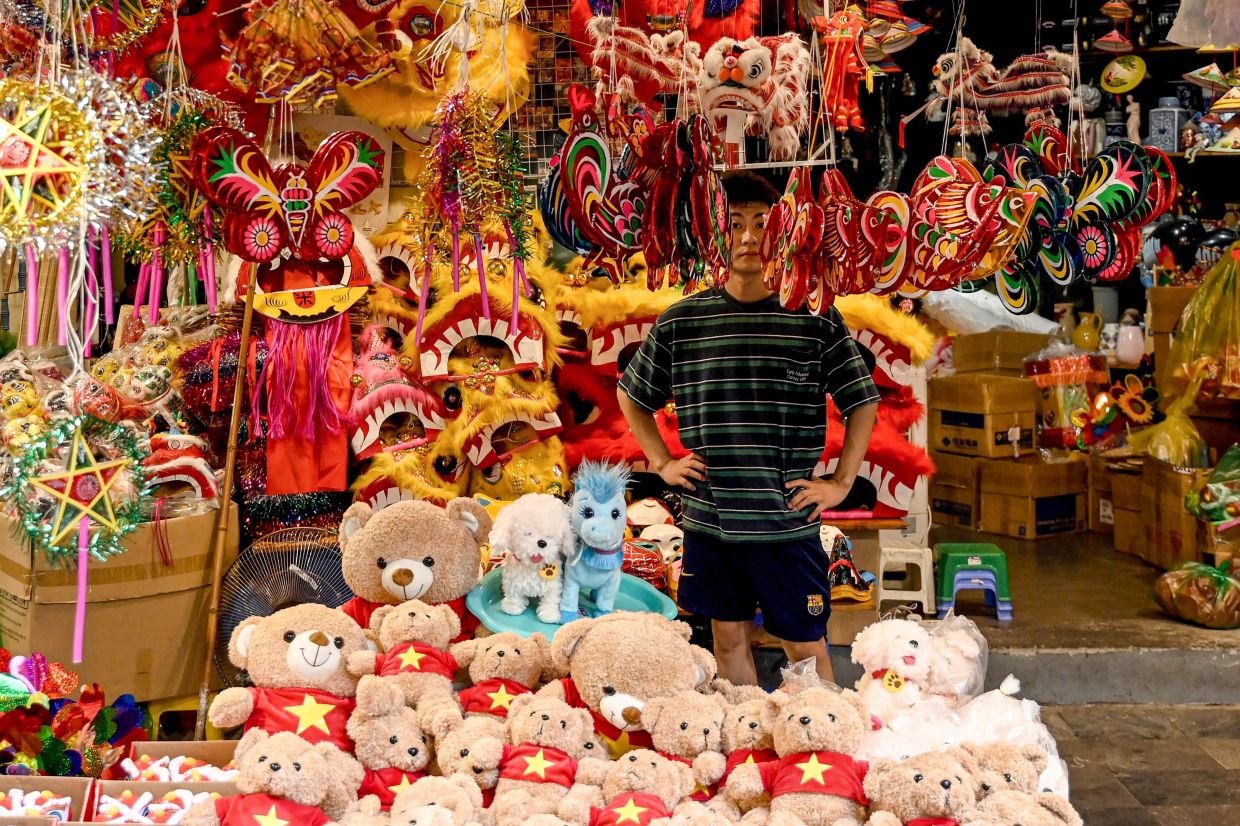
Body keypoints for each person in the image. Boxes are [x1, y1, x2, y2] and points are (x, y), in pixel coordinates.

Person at [617, 171, 879, 686]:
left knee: (805, 644)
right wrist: (663, 462)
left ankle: (821, 748)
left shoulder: (815, 318)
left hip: (788, 521)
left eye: (762, 223)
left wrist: (841, 483)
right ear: (717, 233)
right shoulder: (682, 321)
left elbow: (862, 401)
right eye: (734, 224)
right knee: (727, 638)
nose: (748, 237)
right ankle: (748, 744)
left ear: (782, 230)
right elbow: (632, 394)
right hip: (710, 520)